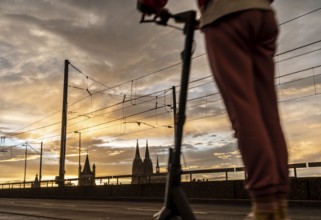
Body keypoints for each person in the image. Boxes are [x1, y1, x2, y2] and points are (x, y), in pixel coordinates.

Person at [137, 0, 290, 219]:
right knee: (268, 114)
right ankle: (279, 206)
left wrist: (150, 4)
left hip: (226, 16)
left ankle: (264, 207)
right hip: (263, 15)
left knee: (243, 112)